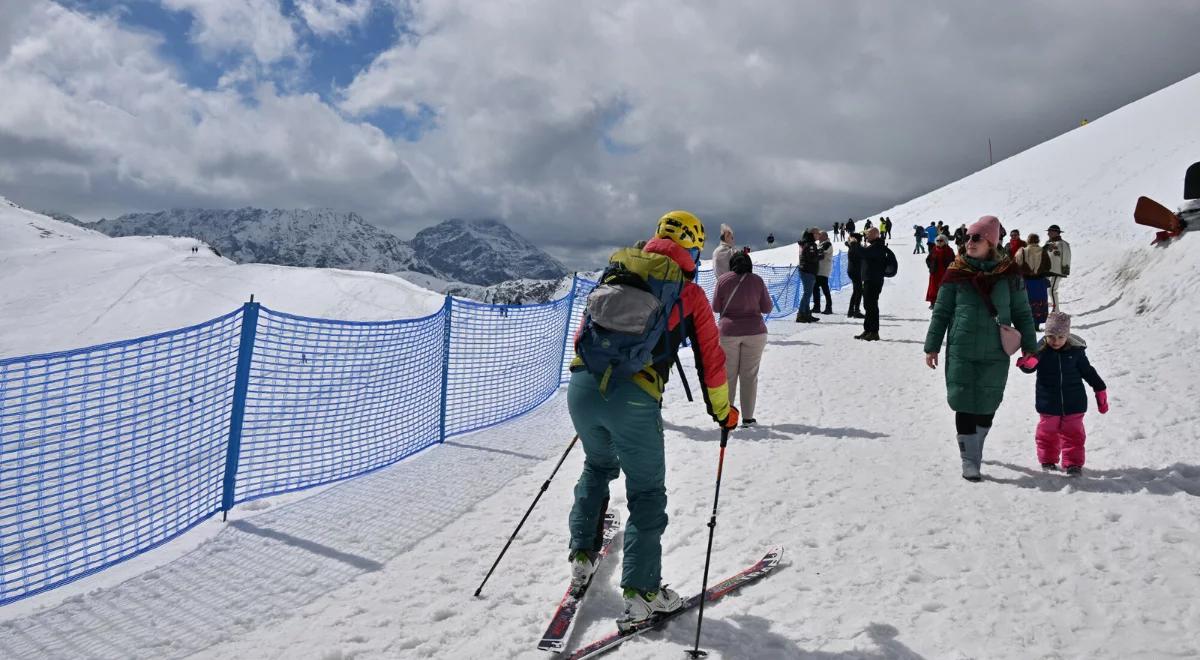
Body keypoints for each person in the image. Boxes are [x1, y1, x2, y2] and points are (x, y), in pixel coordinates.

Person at [566, 210, 738, 630]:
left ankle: (582, 557)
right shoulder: (688, 292)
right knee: (646, 493)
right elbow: (711, 360)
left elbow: (582, 335)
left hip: (583, 386)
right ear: (694, 249)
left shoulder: (618, 270)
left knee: (597, 467)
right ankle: (643, 593)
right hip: (634, 399)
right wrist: (723, 413)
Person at [922, 215, 1038, 481]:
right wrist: (932, 347)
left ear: (991, 243)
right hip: (961, 347)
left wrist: (1029, 347)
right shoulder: (956, 271)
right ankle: (969, 460)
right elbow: (941, 312)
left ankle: (977, 448)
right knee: (962, 400)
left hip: (996, 350)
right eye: (967, 238)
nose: (969, 242)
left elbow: (1022, 312)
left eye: (976, 237)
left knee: (988, 403)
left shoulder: (1009, 275)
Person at [1017, 312, 1108, 476]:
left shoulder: (1076, 352)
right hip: (1048, 402)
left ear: (1067, 335)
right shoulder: (1041, 351)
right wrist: (1027, 363)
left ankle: (1073, 463)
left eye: (1060, 337)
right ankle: (1048, 460)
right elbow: (1029, 368)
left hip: (1074, 402)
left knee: (1074, 434)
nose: (1056, 341)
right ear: (1046, 335)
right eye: (1051, 336)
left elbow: (1088, 372)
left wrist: (1099, 389)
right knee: (1047, 433)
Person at [712, 251, 773, 427]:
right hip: (755, 332)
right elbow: (767, 308)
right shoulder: (757, 280)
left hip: (728, 332)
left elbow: (716, 307)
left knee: (728, 376)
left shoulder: (723, 280)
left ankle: (727, 417)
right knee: (749, 376)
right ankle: (748, 417)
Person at [855, 227, 889, 340]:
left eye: (868, 234)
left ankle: (874, 332)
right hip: (870, 279)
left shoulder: (877, 246)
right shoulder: (874, 246)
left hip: (874, 280)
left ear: (875, 235)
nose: (866, 236)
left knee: (872, 305)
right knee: (867, 305)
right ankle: (868, 330)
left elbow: (863, 253)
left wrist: (855, 244)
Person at [1015, 233, 1050, 330]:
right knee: (1039, 303)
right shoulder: (1043, 251)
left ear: (1028, 240)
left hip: (1027, 282)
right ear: (1038, 241)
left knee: (1027, 302)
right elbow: (1048, 266)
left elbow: (1017, 264)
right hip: (1040, 282)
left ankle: (1027, 324)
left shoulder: (1022, 251)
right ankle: (1036, 325)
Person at [795, 230, 821, 323]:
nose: (818, 235)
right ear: (812, 235)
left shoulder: (807, 244)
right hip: (808, 271)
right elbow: (811, 258)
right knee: (807, 293)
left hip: (807, 271)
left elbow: (810, 256)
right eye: (817, 234)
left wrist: (817, 253)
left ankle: (806, 314)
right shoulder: (810, 245)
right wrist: (820, 255)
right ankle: (801, 314)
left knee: (808, 293)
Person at [1044, 224, 1072, 312]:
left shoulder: (1063, 244)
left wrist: (1064, 270)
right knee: (1044, 288)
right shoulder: (1047, 243)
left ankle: (1056, 310)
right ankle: (1045, 307)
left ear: (1056, 232)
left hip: (1057, 270)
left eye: (1050, 231)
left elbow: (1067, 257)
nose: (1048, 233)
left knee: (1052, 289)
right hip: (1047, 270)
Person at [925, 234, 955, 310]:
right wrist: (931, 267)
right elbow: (928, 260)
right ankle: (933, 303)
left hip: (945, 273)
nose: (939, 242)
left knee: (945, 288)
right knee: (933, 288)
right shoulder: (934, 249)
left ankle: (944, 302)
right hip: (935, 273)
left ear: (945, 241)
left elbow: (953, 260)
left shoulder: (949, 250)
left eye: (941, 241)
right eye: (937, 241)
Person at [811, 231, 834, 315]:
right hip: (818, 270)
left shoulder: (827, 244)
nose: (818, 237)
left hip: (823, 270)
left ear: (825, 236)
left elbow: (820, 252)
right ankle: (817, 307)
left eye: (820, 235)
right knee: (815, 288)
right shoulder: (820, 244)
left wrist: (813, 253)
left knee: (825, 289)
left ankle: (828, 307)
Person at [845, 232, 865, 318]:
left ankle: (851, 311)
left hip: (854, 271)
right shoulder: (854, 246)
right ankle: (856, 311)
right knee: (859, 291)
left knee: (856, 291)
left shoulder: (854, 246)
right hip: (855, 271)